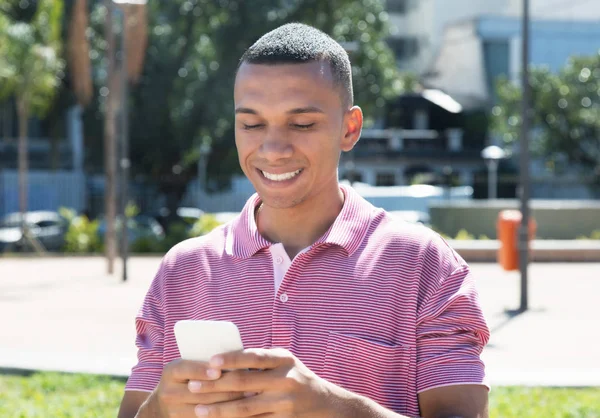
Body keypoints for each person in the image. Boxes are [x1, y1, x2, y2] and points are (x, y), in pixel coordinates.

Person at [118, 23, 490, 418]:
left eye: (301, 124)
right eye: (252, 123)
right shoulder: (183, 270)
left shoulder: (424, 265)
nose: (274, 149)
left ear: (349, 128)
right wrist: (158, 407)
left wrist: (332, 407)